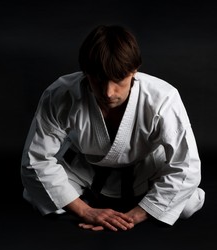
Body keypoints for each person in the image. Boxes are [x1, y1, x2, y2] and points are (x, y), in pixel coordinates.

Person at [21, 24, 205, 231]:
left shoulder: (163, 98)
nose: (108, 92)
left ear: (134, 70)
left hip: (146, 170)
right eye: (98, 80)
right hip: (85, 169)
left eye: (119, 79)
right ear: (85, 73)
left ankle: (135, 203)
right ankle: (88, 201)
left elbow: (186, 166)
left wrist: (135, 216)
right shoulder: (60, 95)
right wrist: (85, 211)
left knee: (188, 205)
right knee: (36, 195)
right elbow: (36, 160)